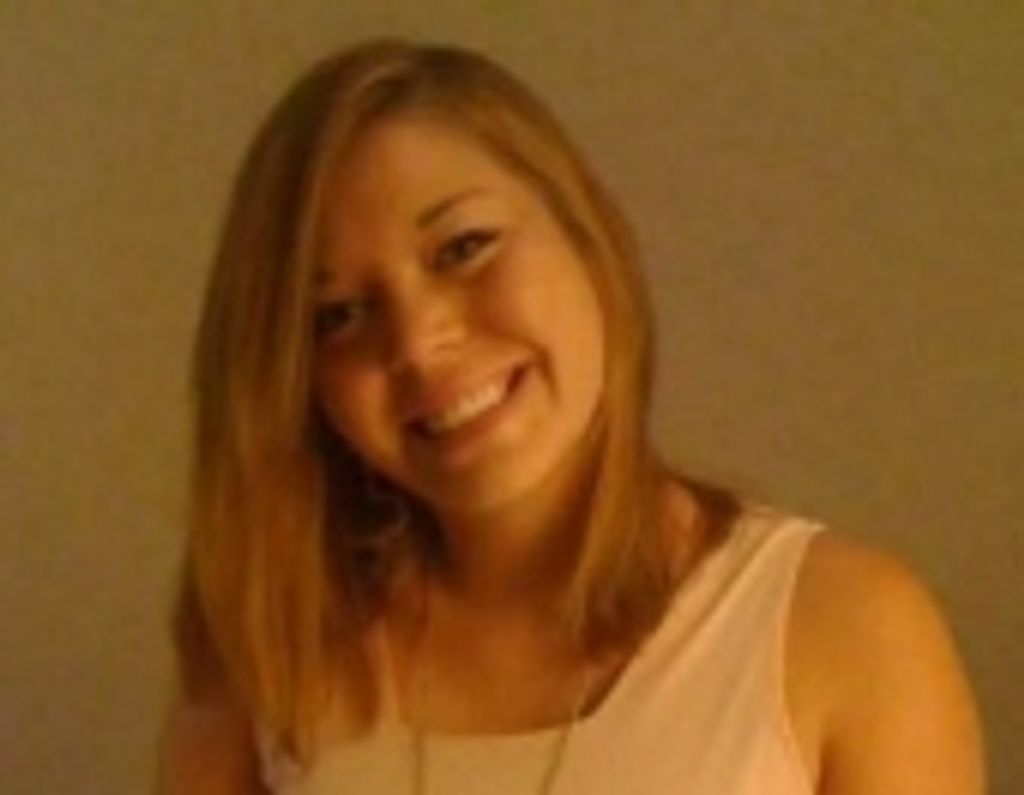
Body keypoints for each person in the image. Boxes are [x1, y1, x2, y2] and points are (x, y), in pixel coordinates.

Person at [157, 39, 985, 794]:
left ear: (586, 234)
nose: (417, 342)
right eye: (338, 314)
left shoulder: (847, 633)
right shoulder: (269, 652)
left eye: (463, 248)